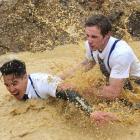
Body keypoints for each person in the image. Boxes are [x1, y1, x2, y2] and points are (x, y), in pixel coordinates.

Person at [0, 59, 118, 124]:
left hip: (67, 88)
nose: (11, 89)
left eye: (14, 83)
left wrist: (90, 112)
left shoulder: (42, 84)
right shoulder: (20, 87)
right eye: (7, 85)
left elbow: (70, 93)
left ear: (25, 77)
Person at [60, 14, 140, 101]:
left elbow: (113, 94)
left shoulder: (120, 53)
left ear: (107, 35)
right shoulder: (90, 45)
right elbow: (86, 64)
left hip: (136, 86)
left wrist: (78, 88)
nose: (89, 41)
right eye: (87, 35)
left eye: (94, 37)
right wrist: (58, 78)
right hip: (120, 83)